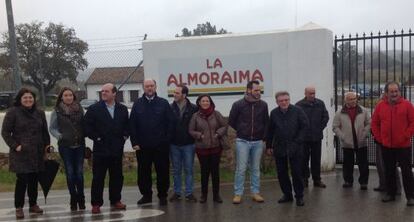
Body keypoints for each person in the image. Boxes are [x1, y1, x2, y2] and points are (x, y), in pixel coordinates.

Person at [1, 88, 51, 219]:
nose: (28, 100)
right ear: (20, 99)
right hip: (21, 153)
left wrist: (47, 148)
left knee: (34, 179)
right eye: (25, 98)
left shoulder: (40, 113)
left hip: (37, 152)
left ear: (34, 99)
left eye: (30, 98)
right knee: (22, 180)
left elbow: (45, 132)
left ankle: (33, 205)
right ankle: (19, 207)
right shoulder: (13, 112)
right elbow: (5, 132)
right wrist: (15, 146)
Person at [84, 83, 129, 214]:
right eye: (102, 91)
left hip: (116, 149)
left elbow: (127, 125)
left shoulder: (122, 109)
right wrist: (96, 137)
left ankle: (116, 200)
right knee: (98, 177)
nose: (103, 93)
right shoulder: (94, 109)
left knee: (117, 176)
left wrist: (125, 136)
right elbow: (87, 127)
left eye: (106, 91)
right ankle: (96, 204)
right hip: (101, 150)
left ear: (114, 93)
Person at [130, 79, 175, 206]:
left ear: (155, 87)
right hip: (143, 146)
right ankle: (146, 195)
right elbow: (132, 124)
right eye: (147, 86)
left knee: (163, 171)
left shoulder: (163, 103)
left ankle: (162, 196)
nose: (149, 88)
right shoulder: (137, 104)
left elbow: (170, 123)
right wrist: (135, 142)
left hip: (161, 145)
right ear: (143, 88)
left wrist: (167, 140)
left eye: (151, 86)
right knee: (144, 172)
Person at [371, 82, 414, 206]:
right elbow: (375, 123)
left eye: (396, 91)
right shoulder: (380, 106)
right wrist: (380, 138)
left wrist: (405, 136)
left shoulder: (407, 105)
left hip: (403, 146)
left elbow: (413, 123)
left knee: (406, 171)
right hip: (387, 145)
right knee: (389, 170)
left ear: (399, 92)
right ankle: (391, 193)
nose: (394, 94)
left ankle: (410, 196)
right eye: (392, 91)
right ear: (386, 93)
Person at [228, 80, 269, 204]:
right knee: (241, 169)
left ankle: (255, 193)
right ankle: (238, 194)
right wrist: (241, 130)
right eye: (256, 90)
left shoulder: (263, 105)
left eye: (259, 90)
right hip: (242, 141)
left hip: (258, 141)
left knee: (255, 168)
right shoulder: (238, 104)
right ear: (248, 90)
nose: (258, 92)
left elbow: (266, 122)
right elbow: (232, 121)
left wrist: (263, 137)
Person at [266, 91, 308, 207]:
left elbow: (304, 127)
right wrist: (269, 145)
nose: (284, 102)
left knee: (297, 172)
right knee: (282, 173)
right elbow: (270, 130)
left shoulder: (298, 110)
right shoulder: (274, 113)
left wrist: (298, 141)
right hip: (279, 147)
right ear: (277, 102)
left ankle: (299, 196)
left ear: (289, 100)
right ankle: (287, 194)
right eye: (281, 101)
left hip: (296, 147)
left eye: (286, 100)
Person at [49, 87, 86, 211]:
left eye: (70, 95)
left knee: (79, 174)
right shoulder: (57, 111)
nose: (68, 97)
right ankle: (73, 198)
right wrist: (60, 136)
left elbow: (85, 123)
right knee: (70, 174)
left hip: (80, 145)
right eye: (66, 95)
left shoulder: (80, 109)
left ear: (73, 97)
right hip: (65, 147)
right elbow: (52, 128)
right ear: (61, 97)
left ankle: (81, 197)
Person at [189, 94, 228, 203]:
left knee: (215, 172)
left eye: (207, 101)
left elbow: (224, 126)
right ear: (199, 103)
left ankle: (216, 195)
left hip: (215, 147)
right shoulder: (195, 116)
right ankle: (204, 195)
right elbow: (191, 130)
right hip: (202, 149)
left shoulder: (216, 114)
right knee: (204, 172)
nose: (205, 103)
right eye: (203, 101)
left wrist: (218, 134)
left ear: (210, 102)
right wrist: (199, 135)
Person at [332, 92, 370, 190]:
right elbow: (335, 127)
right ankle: (348, 181)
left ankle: (364, 182)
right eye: (351, 99)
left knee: (363, 163)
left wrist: (365, 133)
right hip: (347, 142)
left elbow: (369, 123)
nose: (353, 101)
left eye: (354, 99)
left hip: (361, 141)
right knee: (348, 163)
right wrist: (342, 136)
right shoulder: (339, 112)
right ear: (346, 100)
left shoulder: (364, 111)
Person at [169, 84, 198, 202]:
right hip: (174, 144)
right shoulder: (170, 108)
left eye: (177, 93)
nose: (174, 95)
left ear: (184, 95)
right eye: (174, 92)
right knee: (176, 170)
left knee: (189, 169)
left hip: (189, 144)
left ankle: (189, 193)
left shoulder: (194, 108)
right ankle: (177, 192)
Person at [296, 86, 329, 188]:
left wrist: (319, 128)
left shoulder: (320, 103)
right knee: (304, 159)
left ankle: (317, 180)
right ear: (305, 93)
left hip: (317, 137)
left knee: (316, 159)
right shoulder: (299, 105)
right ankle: (304, 179)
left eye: (314, 93)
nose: (312, 95)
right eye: (310, 93)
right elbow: (296, 120)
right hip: (304, 138)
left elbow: (325, 116)